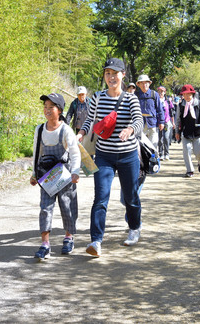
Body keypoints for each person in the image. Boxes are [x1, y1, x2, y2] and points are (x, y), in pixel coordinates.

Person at [77, 58, 143, 257]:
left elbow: (139, 120)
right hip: (104, 155)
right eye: (108, 73)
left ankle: (134, 227)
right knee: (101, 198)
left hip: (128, 155)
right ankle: (96, 241)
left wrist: (130, 129)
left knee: (131, 196)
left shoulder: (131, 98)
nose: (111, 77)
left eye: (115, 73)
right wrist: (81, 133)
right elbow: (90, 119)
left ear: (123, 75)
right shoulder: (97, 97)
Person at [30, 93, 81, 261]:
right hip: (47, 176)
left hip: (64, 174)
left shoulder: (65, 130)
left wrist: (75, 171)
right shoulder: (39, 129)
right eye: (45, 107)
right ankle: (45, 244)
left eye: (50, 107)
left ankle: (69, 237)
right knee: (45, 208)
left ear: (59, 110)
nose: (47, 110)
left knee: (67, 206)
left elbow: (74, 152)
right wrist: (33, 174)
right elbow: (36, 154)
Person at [175, 84, 200, 178]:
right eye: (184, 94)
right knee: (186, 151)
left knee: (198, 152)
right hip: (186, 132)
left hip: (197, 132)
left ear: (192, 94)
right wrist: (177, 132)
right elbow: (178, 119)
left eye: (188, 94)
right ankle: (190, 170)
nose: (186, 96)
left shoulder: (199, 103)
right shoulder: (181, 105)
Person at [135, 75, 165, 149]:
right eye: (141, 83)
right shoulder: (136, 95)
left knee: (153, 146)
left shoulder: (154, 94)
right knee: (141, 146)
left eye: (146, 83)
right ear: (138, 84)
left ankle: (153, 160)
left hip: (152, 124)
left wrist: (161, 122)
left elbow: (159, 109)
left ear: (149, 83)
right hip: (140, 124)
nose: (144, 85)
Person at [157, 86, 175, 160]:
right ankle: (161, 154)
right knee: (160, 139)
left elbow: (171, 112)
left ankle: (166, 154)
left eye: (162, 91)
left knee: (166, 138)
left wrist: (173, 122)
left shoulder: (168, 101)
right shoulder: (156, 100)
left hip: (167, 121)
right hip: (158, 122)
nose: (161, 93)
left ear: (165, 92)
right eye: (159, 91)